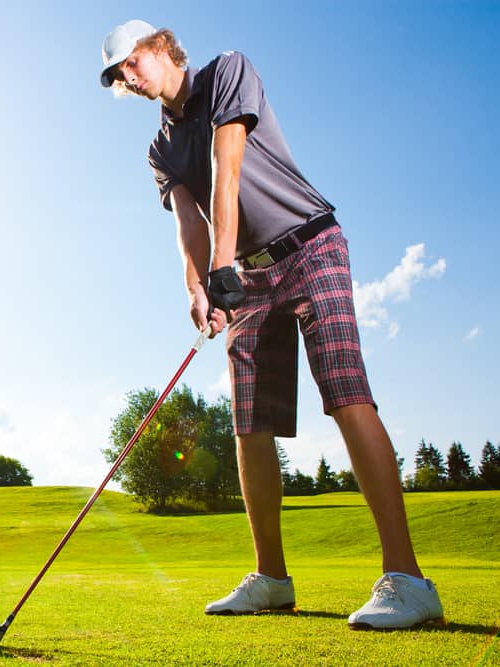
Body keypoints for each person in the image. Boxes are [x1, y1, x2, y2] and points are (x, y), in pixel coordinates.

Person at [99, 19, 444, 630]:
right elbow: (189, 224)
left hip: (310, 245)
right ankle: (272, 578)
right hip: (248, 279)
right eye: (119, 74)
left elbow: (225, 165)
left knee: (343, 392)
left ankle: (408, 579)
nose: (129, 76)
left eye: (132, 61)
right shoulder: (159, 149)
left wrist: (222, 265)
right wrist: (198, 286)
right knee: (248, 420)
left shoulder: (229, 69)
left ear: (160, 45)